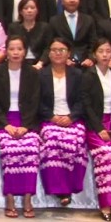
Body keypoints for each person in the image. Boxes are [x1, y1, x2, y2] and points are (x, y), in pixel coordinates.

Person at [0, 35, 41, 219]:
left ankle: (27, 199)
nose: (16, 52)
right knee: (10, 150)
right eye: (11, 49)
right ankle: (10, 199)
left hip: (26, 121)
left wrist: (26, 126)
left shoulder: (32, 72)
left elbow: (35, 102)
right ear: (6, 51)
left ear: (25, 51)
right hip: (4, 121)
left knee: (31, 149)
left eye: (19, 49)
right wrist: (6, 125)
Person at [38, 38, 88, 206]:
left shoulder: (77, 75)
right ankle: (60, 190)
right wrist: (51, 117)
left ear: (69, 53)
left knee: (76, 140)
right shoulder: (41, 75)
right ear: (49, 53)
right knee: (53, 141)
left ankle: (72, 186)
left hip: (72, 118)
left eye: (62, 50)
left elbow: (83, 100)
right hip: (50, 119)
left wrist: (71, 117)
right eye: (54, 50)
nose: (58, 53)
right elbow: (37, 102)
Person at [81, 38, 111, 221]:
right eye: (101, 51)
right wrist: (99, 128)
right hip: (95, 125)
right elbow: (86, 105)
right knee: (105, 155)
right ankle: (105, 204)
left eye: (108, 51)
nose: (105, 55)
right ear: (94, 54)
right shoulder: (88, 75)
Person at [48, 0, 97, 67]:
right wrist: (63, 58)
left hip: (85, 62)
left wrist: (90, 58)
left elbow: (93, 43)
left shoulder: (88, 20)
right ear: (62, 1)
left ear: (79, 0)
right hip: (63, 62)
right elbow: (51, 44)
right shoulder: (54, 21)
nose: (72, 0)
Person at [7, 0, 53, 68]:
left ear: (37, 10)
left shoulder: (45, 27)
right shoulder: (13, 27)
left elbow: (48, 48)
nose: (29, 11)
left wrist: (40, 63)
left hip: (40, 64)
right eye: (26, 8)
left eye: (32, 8)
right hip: (19, 63)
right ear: (20, 11)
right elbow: (10, 47)